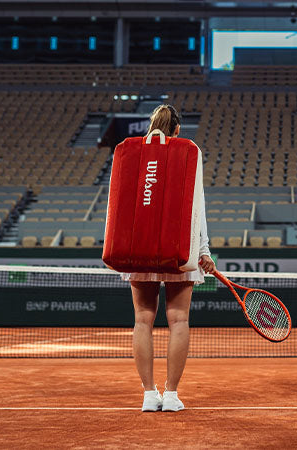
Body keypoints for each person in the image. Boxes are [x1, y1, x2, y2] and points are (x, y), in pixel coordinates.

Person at [119, 104, 216, 412]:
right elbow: (195, 207)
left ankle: (150, 395)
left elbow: (121, 203)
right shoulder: (188, 152)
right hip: (179, 249)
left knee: (142, 320)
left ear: (150, 127)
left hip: (139, 247)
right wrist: (203, 251)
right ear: (177, 130)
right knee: (179, 320)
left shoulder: (130, 153)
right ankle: (171, 395)